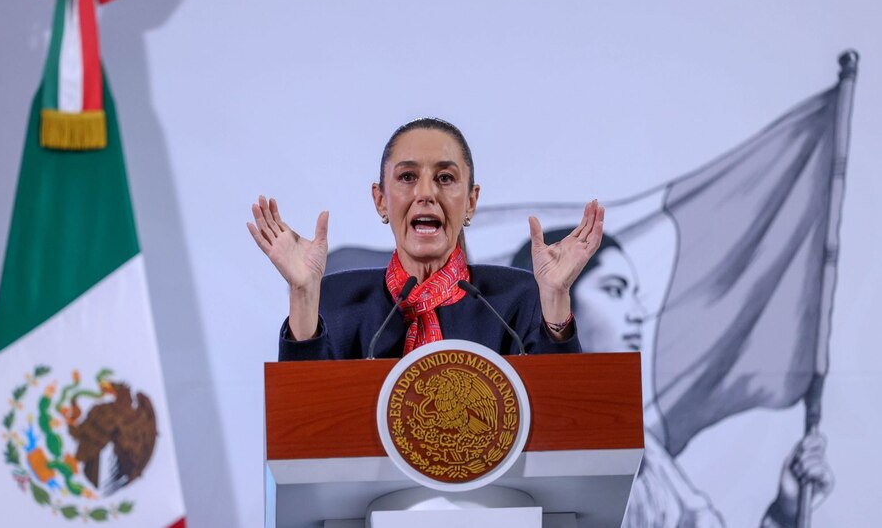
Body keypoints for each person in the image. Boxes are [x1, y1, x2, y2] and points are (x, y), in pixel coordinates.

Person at [513, 230, 835, 528]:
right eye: (614, 290)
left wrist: (783, 512)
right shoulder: (505, 430)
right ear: (551, 300)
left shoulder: (645, 451)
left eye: (634, 294)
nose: (637, 313)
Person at [246, 117, 602, 360]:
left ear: (471, 202)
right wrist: (303, 294)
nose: (426, 193)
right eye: (407, 177)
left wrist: (555, 297)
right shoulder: (336, 300)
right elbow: (304, 416)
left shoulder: (517, 299)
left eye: (445, 178)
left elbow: (559, 415)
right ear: (381, 200)